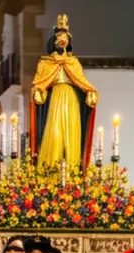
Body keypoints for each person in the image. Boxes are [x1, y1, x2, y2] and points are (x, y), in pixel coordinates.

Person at [29, 13, 98, 170]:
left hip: (71, 100)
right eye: (59, 36)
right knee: (54, 134)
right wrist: (40, 93)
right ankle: (50, 171)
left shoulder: (74, 63)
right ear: (54, 41)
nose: (62, 40)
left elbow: (83, 83)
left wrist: (90, 93)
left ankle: (72, 170)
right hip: (55, 101)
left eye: (65, 37)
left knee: (71, 135)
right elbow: (39, 84)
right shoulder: (46, 63)